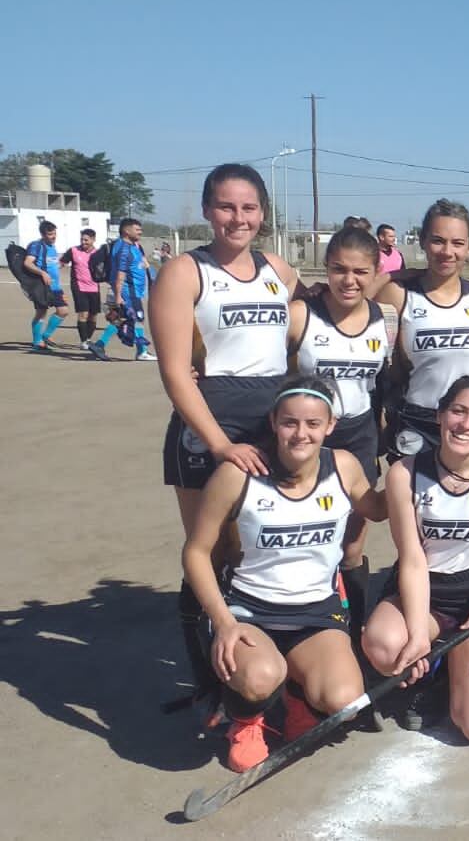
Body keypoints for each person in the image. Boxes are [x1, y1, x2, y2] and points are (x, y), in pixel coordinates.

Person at [152, 164, 303, 708]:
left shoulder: (279, 271)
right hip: (208, 429)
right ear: (206, 210)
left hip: (269, 425)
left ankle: (260, 662)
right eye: (225, 206)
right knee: (209, 550)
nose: (237, 218)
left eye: (248, 208)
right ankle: (207, 682)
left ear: (263, 214)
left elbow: (322, 315)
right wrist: (219, 444)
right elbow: (174, 372)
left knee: (254, 548)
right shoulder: (183, 272)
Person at [179, 378, 386, 771]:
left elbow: (376, 508)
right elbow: (196, 552)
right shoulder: (238, 474)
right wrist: (223, 623)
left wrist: (416, 471)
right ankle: (246, 719)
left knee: (344, 698)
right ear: (274, 421)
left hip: (316, 611)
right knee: (259, 677)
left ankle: (294, 693)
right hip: (249, 609)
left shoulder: (342, 465)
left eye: (313, 423)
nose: (301, 433)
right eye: (290, 422)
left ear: (330, 426)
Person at [364, 377, 469, 741]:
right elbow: (411, 560)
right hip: (424, 592)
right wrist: (418, 635)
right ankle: (432, 669)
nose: (466, 425)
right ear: (440, 415)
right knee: (385, 645)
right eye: (458, 411)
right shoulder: (404, 473)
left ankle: (449, 670)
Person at [286, 226, 390, 629]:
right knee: (303, 533)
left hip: (359, 435)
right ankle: (299, 619)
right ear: (326, 269)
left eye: (361, 272)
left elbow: (390, 382)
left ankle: (355, 629)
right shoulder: (301, 314)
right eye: (339, 269)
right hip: (305, 437)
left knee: (351, 543)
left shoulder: (386, 319)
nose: (350, 280)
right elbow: (261, 367)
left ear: (376, 270)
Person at [368, 199, 469, 460]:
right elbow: (353, 313)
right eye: (438, 240)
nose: (447, 251)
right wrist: (387, 277)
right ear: (423, 241)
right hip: (418, 420)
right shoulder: (399, 294)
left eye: (458, 243)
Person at [91, 218, 154, 361]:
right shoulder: (124, 249)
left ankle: (101, 345)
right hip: (128, 291)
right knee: (135, 319)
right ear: (127, 231)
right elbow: (120, 273)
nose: (140, 232)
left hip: (134, 290)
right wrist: (119, 295)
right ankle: (141, 351)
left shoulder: (132, 246)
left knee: (127, 319)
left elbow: (140, 265)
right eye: (137, 229)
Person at [20, 221, 69, 352]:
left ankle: (45, 336)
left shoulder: (52, 246)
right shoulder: (36, 245)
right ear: (42, 234)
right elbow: (28, 263)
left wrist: (59, 265)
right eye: (50, 234)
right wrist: (42, 273)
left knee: (63, 311)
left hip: (55, 286)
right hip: (42, 287)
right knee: (41, 313)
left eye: (54, 233)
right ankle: (37, 342)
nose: (53, 236)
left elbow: (50, 264)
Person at [64, 229, 102, 349]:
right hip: (79, 287)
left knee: (93, 315)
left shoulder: (98, 253)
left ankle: (88, 338)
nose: (83, 242)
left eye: (86, 240)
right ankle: (84, 341)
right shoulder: (73, 250)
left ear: (93, 240)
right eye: (82, 239)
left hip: (94, 287)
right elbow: (61, 262)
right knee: (83, 314)